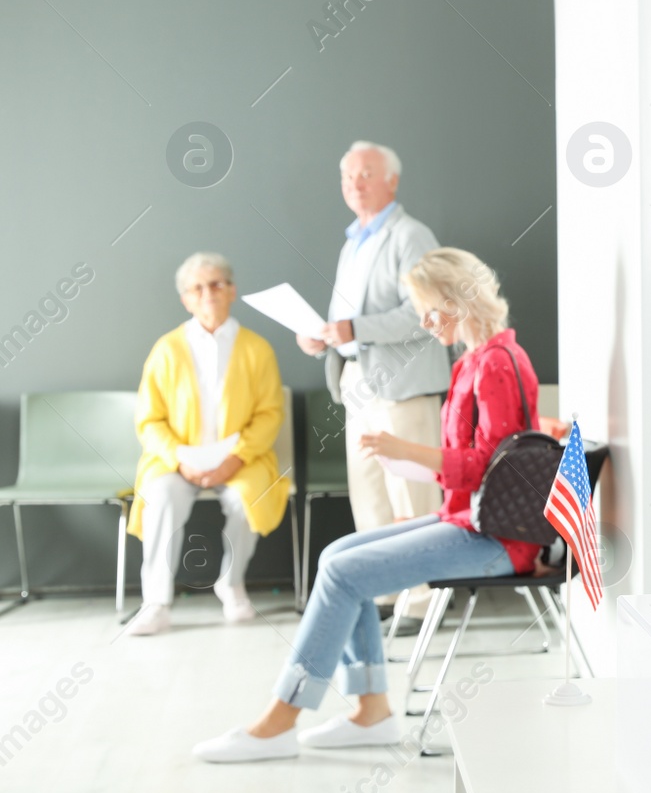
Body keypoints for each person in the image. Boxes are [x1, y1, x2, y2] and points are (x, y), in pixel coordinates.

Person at [195, 248, 558, 762]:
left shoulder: (495, 363)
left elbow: (491, 467)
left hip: (497, 539)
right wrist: (414, 471)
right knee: (335, 557)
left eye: (430, 308)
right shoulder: (478, 360)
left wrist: (405, 451)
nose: (425, 321)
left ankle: (282, 718)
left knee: (346, 573)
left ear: (460, 300)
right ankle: (371, 713)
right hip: (471, 520)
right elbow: (487, 459)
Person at [296, 141, 450, 623]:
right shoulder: (353, 242)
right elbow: (347, 317)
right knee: (370, 492)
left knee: (412, 494)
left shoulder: (411, 236)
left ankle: (422, 601)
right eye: (347, 177)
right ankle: (385, 593)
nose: (354, 184)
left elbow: (426, 314)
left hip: (404, 386)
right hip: (358, 381)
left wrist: (354, 330)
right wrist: (325, 337)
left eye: (365, 174)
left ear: (392, 181)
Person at [126, 253, 289, 636]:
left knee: (245, 499)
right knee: (161, 497)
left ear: (231, 290)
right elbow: (149, 420)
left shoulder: (256, 348)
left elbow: (269, 413)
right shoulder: (166, 349)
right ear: (186, 298)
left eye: (216, 284)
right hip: (176, 462)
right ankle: (156, 602)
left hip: (241, 460)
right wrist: (180, 461)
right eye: (197, 288)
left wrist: (235, 460)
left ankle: (231, 585)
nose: (208, 294)